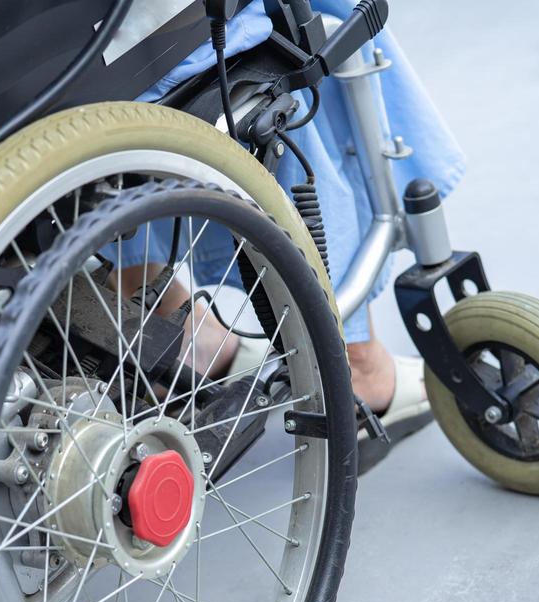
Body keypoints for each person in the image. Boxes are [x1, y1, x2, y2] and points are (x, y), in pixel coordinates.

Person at [117, 0, 467, 464]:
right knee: (319, 24)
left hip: (49, 81)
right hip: (163, 48)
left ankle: (178, 334)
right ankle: (355, 362)